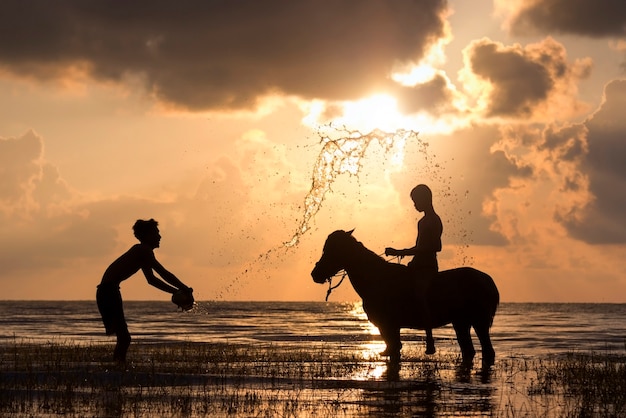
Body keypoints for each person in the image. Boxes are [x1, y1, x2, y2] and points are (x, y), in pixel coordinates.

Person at [96, 219, 192, 363]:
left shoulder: (142, 253)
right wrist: (184, 288)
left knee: (123, 338)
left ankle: (117, 367)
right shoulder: (142, 250)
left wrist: (176, 292)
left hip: (108, 291)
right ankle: (117, 368)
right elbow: (163, 273)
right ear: (146, 235)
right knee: (124, 338)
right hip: (108, 292)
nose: (160, 236)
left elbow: (152, 280)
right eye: (156, 233)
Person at [385, 184, 442, 355]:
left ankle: (430, 339)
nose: (415, 205)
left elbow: (435, 247)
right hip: (416, 265)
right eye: (413, 201)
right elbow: (419, 247)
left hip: (427, 267)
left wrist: (399, 252)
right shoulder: (422, 221)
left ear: (426, 199)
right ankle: (393, 342)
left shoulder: (434, 220)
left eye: (416, 201)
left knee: (419, 294)